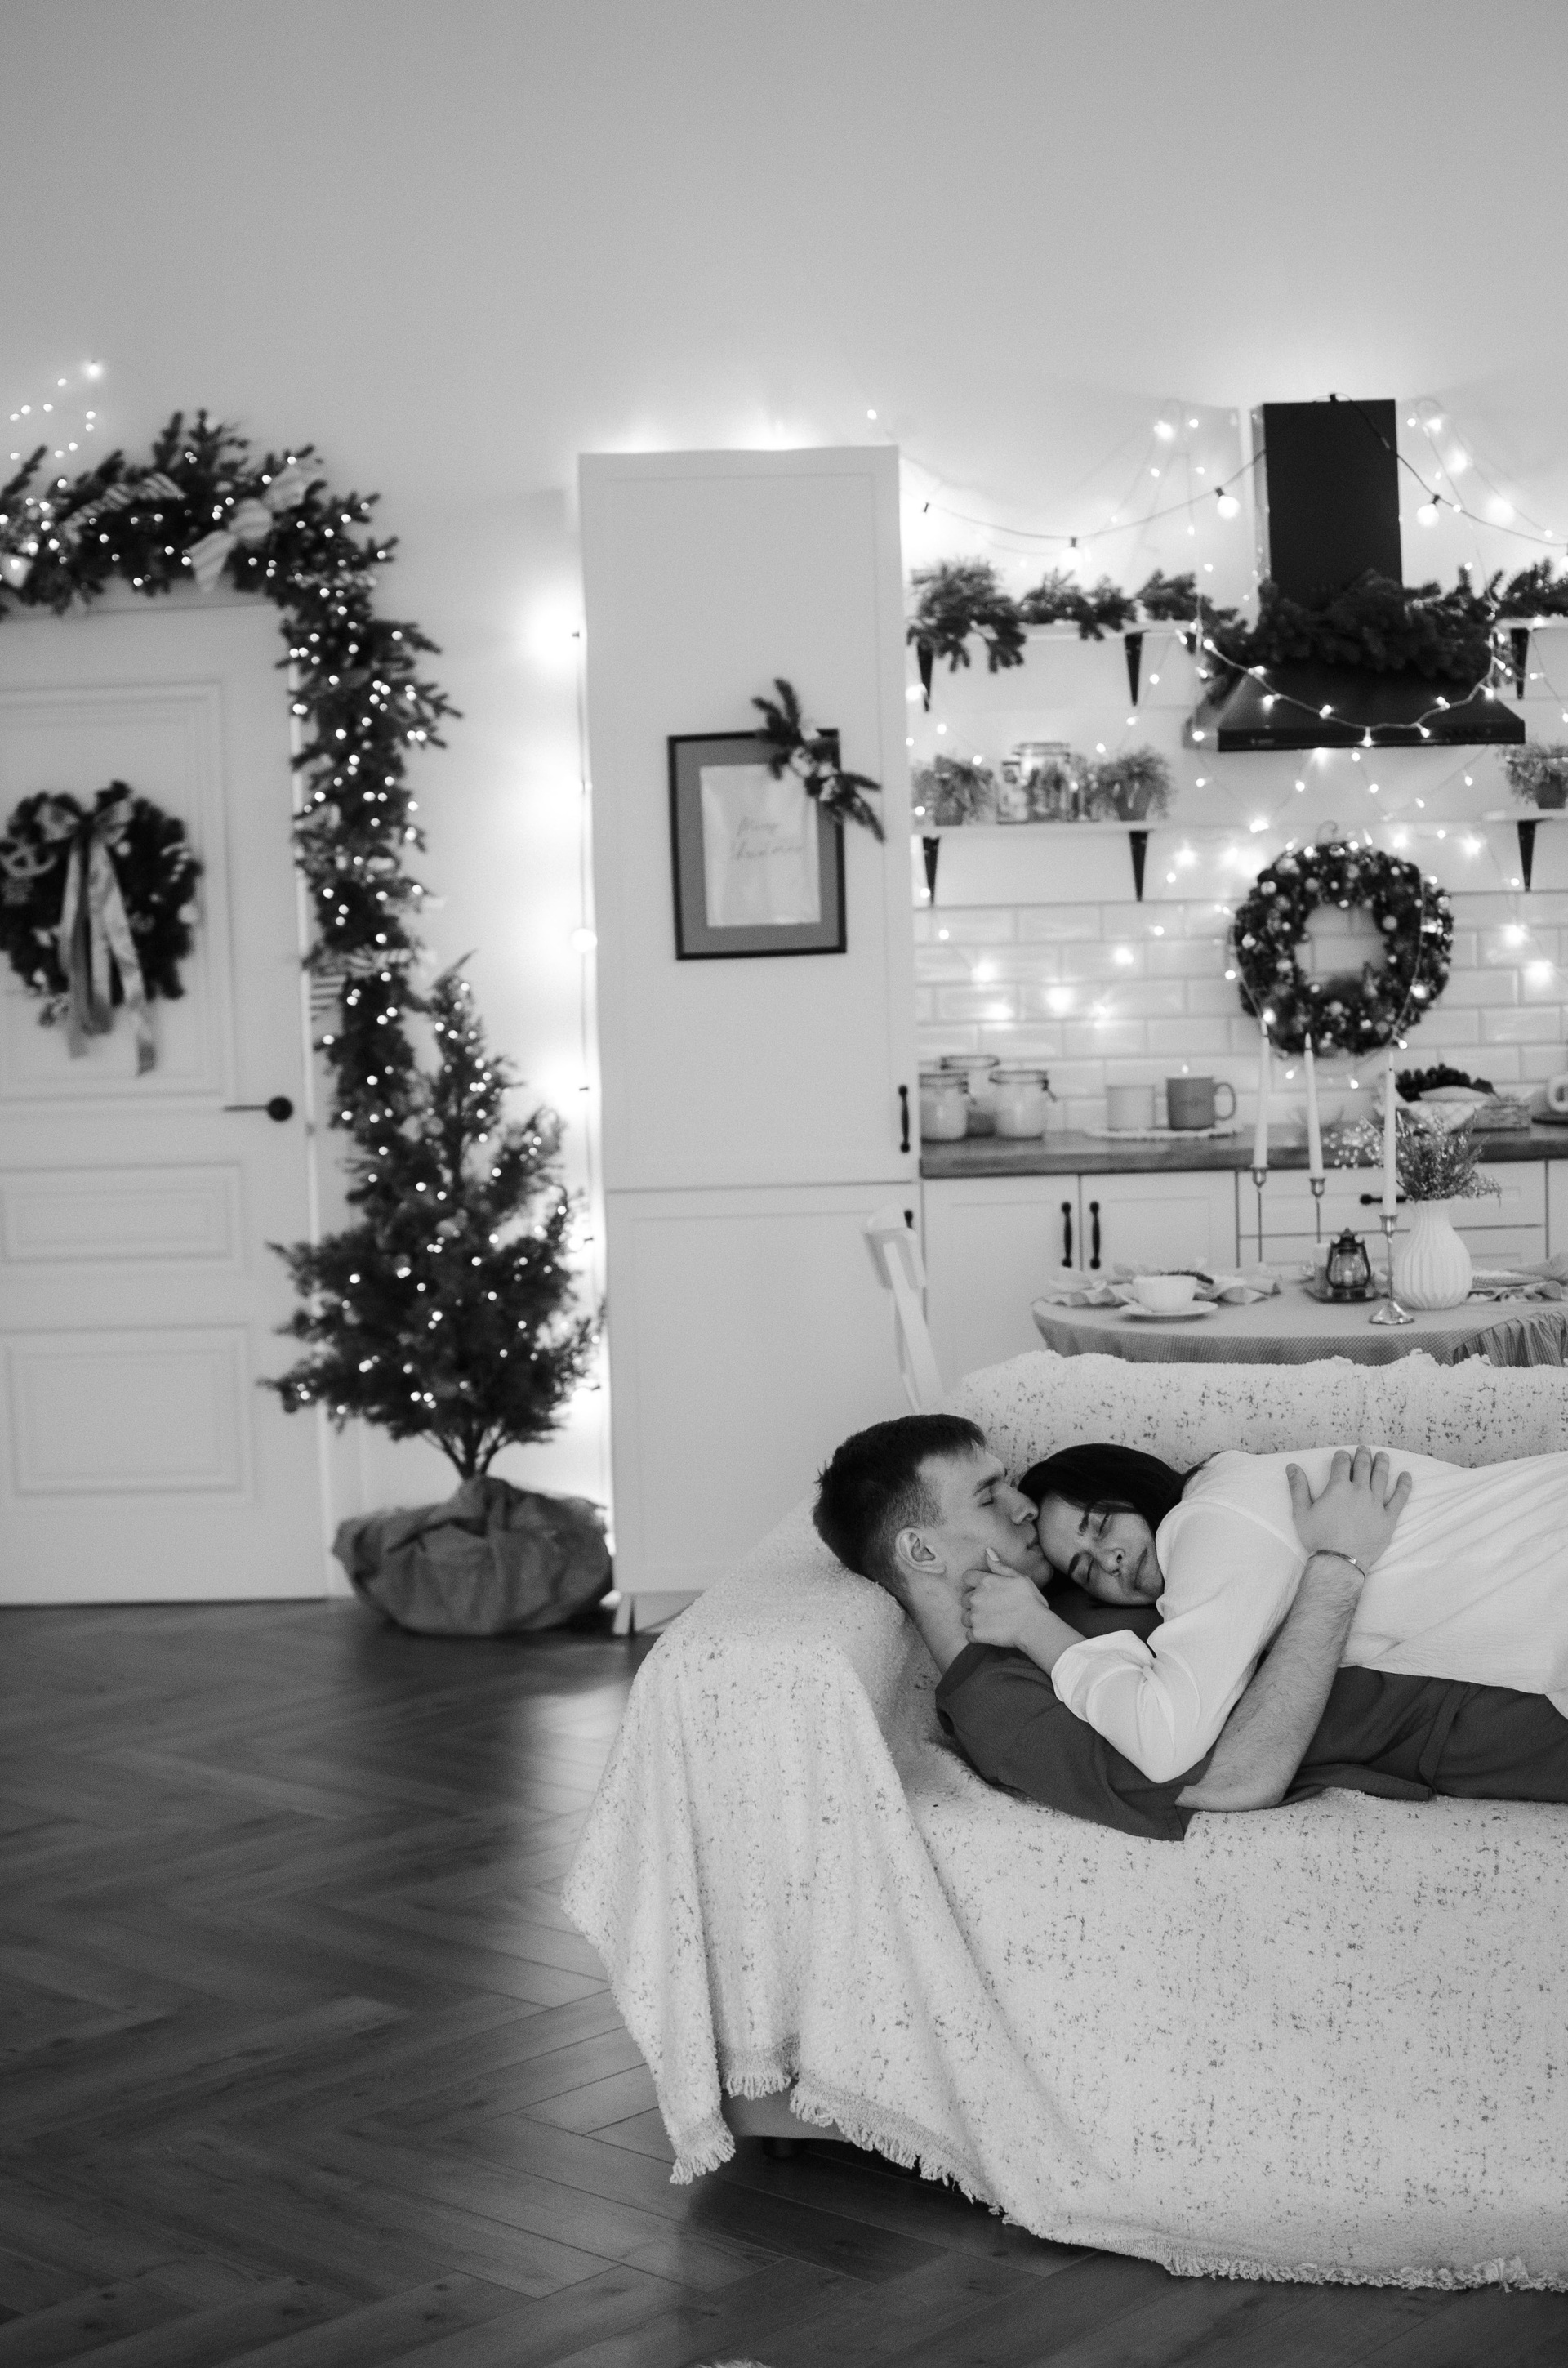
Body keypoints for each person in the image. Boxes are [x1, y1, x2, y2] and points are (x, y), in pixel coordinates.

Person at [811, 1414, 1568, 1843]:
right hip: (1491, 1687)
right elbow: (1201, 1780)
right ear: (921, 1550)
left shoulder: (1179, 1533)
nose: (1021, 1504)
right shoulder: (999, 1703)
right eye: (989, 1494)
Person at [964, 1439, 1568, 1782]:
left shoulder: (1206, 1522)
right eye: (1086, 1570)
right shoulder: (1230, 1503)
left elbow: (1163, 1739)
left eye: (1100, 1525)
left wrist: (1034, 1627)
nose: (1111, 1560)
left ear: (1130, 1484)